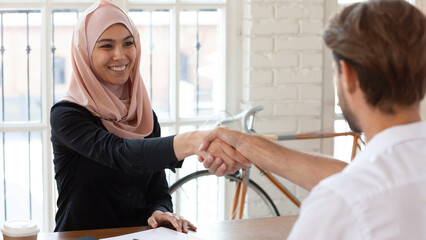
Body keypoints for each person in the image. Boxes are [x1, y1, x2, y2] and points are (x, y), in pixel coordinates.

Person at [199, 0, 426, 238]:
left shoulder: (340, 205)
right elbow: (360, 176)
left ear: (347, 76)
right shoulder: (382, 179)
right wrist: (247, 145)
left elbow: (354, 186)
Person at [50, 0, 249, 232]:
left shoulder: (142, 116)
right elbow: (120, 153)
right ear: (84, 53)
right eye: (106, 46)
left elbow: (157, 190)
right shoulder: (67, 115)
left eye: (128, 43)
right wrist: (192, 141)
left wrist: (159, 212)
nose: (120, 55)